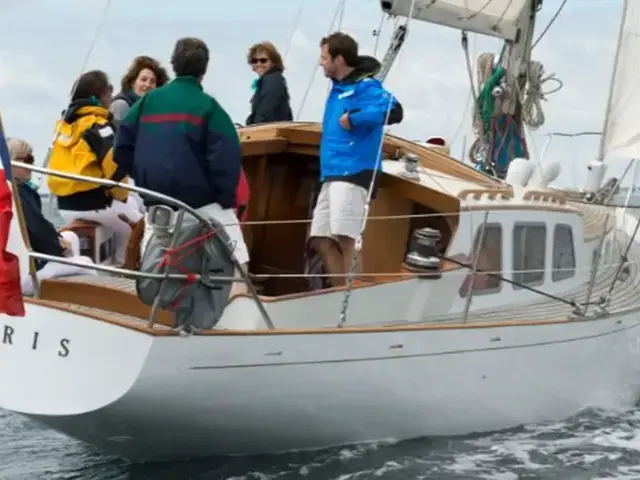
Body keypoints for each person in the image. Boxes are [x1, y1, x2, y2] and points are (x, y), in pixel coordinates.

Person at [113, 37, 249, 297]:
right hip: (202, 203)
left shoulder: (145, 103)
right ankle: (238, 310)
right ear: (204, 70)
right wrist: (224, 197)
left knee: (154, 257)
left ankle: (155, 311)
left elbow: (121, 149)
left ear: (174, 65)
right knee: (237, 257)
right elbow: (226, 160)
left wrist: (143, 178)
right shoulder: (210, 108)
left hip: (157, 203)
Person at [310, 32, 403, 286]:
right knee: (321, 239)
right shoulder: (338, 88)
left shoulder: (365, 86)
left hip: (353, 171)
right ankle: (340, 292)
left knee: (345, 237)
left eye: (324, 57)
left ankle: (354, 298)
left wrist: (355, 118)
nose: (321, 63)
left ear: (339, 60)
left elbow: (394, 110)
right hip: (332, 172)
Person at [47, 70, 143, 266]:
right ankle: (128, 271)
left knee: (122, 216)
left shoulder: (62, 127)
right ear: (100, 95)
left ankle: (115, 264)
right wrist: (123, 197)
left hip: (65, 206)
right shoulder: (99, 126)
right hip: (96, 204)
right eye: (109, 92)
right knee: (140, 223)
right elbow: (115, 169)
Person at [7, 138, 96, 295]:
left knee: (71, 237)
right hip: (21, 278)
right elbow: (37, 231)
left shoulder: (14, 192)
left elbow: (36, 229)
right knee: (86, 263)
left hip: (17, 265)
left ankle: (63, 290)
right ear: (11, 164)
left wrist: (58, 241)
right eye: (26, 160)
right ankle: (76, 300)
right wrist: (60, 248)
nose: (31, 165)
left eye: (31, 159)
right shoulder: (19, 194)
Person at [110, 55, 170, 123]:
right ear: (132, 82)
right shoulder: (121, 105)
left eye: (152, 81)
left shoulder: (151, 108)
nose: (148, 85)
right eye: (143, 80)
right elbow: (119, 132)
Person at [245, 41, 293, 125]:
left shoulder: (273, 80)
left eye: (263, 60)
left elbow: (265, 113)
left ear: (273, 62)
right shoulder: (268, 81)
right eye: (254, 61)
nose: (258, 64)